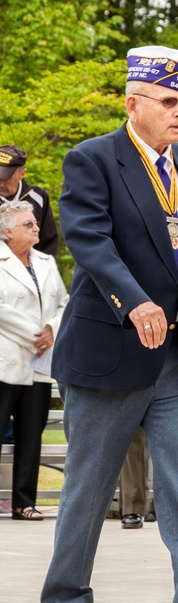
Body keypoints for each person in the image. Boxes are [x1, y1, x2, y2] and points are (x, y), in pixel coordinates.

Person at [39, 45, 178, 603]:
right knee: (89, 484)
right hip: (110, 349)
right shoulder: (93, 160)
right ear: (133, 104)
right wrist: (133, 301)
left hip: (176, 360)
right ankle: (66, 600)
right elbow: (89, 240)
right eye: (168, 101)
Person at [0, 201, 67, 520]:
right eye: (28, 224)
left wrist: (52, 329)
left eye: (35, 224)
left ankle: (24, 503)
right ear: (7, 230)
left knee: (31, 434)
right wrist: (35, 334)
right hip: (6, 360)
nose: (36, 227)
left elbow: (64, 302)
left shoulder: (45, 261)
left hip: (40, 363)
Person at [0, 145, 59, 256]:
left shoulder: (39, 197)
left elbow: (48, 241)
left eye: (6, 178)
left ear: (22, 174)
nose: (1, 183)